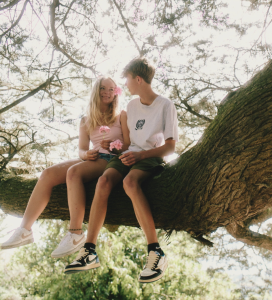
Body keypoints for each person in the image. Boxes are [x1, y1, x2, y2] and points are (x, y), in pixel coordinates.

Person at [64, 57, 178, 284]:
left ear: (137, 79)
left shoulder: (166, 105)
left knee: (129, 183)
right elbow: (127, 143)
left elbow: (170, 147)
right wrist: (115, 148)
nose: (123, 85)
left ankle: (156, 252)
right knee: (104, 181)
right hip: (128, 156)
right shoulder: (131, 107)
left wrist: (140, 155)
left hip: (150, 157)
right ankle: (89, 250)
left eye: (126, 79)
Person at [1, 77, 130, 260]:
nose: (107, 92)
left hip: (111, 160)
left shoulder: (121, 115)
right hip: (94, 157)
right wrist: (86, 155)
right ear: (96, 90)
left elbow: (130, 146)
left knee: (74, 172)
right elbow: (82, 149)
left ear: (116, 93)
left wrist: (115, 147)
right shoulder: (86, 120)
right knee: (47, 174)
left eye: (111, 89)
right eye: (103, 88)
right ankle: (25, 230)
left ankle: (75, 233)